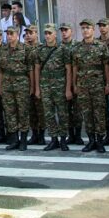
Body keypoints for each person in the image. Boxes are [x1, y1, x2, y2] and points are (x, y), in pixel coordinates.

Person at [72, 19, 109, 153]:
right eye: (82, 28)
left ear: (93, 29)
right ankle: (91, 140)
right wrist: (75, 84)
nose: (85, 30)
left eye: (87, 27)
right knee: (87, 114)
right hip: (83, 86)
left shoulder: (101, 46)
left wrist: (108, 84)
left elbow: (106, 67)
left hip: (98, 85)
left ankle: (100, 141)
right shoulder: (76, 48)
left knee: (99, 113)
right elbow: (75, 68)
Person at [36, 23, 71, 151]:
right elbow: (37, 69)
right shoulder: (40, 50)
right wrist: (37, 88)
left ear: (55, 34)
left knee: (62, 114)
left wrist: (68, 89)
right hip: (45, 86)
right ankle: (53, 139)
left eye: (50, 33)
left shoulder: (63, 49)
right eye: (45, 33)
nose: (47, 36)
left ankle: (63, 139)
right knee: (49, 114)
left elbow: (68, 69)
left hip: (59, 86)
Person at [0, 25, 33, 150]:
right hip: (7, 84)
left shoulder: (25, 49)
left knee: (22, 112)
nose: (9, 36)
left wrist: (32, 86)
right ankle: (14, 140)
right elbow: (1, 70)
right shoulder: (3, 50)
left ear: (17, 35)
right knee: (10, 112)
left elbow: (30, 69)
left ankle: (23, 139)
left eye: (11, 34)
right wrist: (1, 86)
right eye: (7, 34)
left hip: (21, 84)